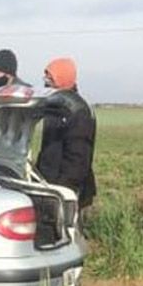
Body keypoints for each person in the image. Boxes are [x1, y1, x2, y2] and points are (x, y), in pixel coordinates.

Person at [35, 57, 97, 220]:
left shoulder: (78, 110)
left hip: (68, 193)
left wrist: (61, 193)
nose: (46, 82)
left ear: (62, 78)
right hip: (49, 188)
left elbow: (78, 160)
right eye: (46, 78)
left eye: (50, 78)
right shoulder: (55, 107)